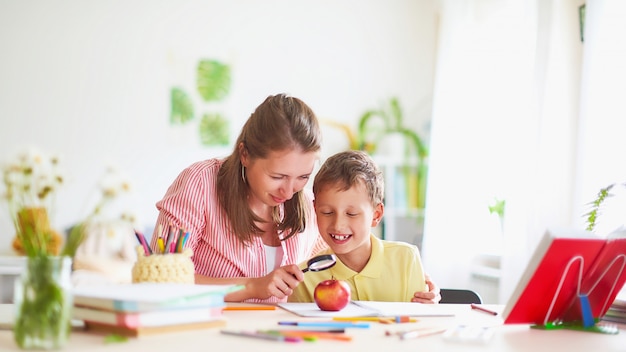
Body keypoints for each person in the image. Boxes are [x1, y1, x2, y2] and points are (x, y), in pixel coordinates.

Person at [151, 93, 440, 304]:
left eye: (302, 177)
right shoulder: (200, 184)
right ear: (245, 155)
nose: (289, 192)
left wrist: (419, 287)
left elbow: (345, 251)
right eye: (277, 177)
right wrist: (252, 287)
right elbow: (160, 279)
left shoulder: (308, 205)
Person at [290, 150, 434, 303]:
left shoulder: (406, 259)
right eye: (327, 212)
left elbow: (420, 321)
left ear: (376, 215)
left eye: (351, 214)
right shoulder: (304, 277)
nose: (338, 225)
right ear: (315, 210)